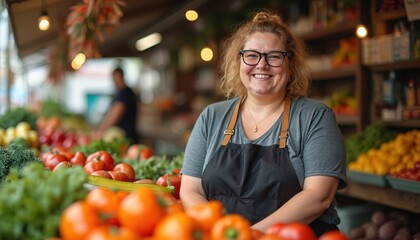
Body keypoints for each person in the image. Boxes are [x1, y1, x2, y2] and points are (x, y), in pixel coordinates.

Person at [179, 11, 347, 236]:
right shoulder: (212, 117)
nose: (262, 65)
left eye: (274, 56)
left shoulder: (315, 117)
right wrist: (220, 232)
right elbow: (191, 189)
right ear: (239, 60)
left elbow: (319, 196)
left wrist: (248, 235)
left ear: (290, 63)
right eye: (252, 55)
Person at [95, 67, 138, 143]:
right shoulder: (120, 92)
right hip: (123, 135)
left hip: (125, 136)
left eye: (115, 76)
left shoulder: (124, 93)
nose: (114, 79)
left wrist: (102, 130)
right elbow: (112, 113)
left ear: (121, 76)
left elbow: (116, 113)